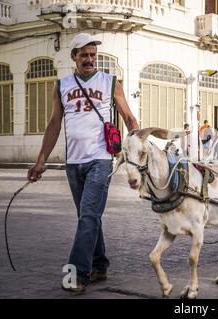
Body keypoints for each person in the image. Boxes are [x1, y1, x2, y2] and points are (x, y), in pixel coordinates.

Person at [27, 33, 139, 293]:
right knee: (88, 216)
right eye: (84, 55)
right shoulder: (62, 84)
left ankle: (77, 275)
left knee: (88, 215)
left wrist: (134, 151)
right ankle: (100, 265)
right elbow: (54, 124)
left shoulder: (110, 82)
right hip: (73, 162)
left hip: (100, 159)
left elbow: (129, 118)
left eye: (93, 55)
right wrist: (40, 160)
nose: (89, 59)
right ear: (74, 57)